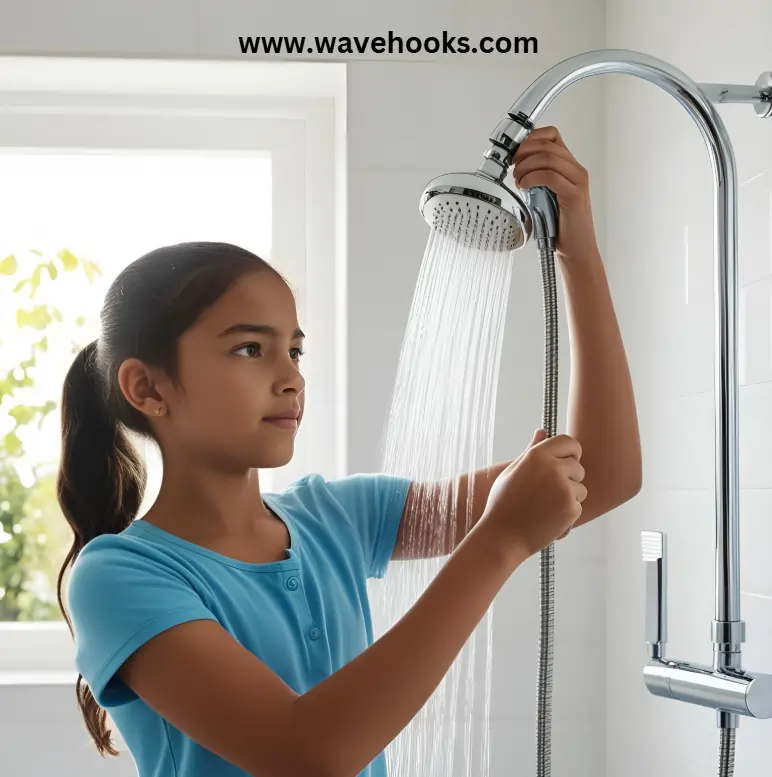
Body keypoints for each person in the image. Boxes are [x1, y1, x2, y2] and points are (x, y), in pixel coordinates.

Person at [57, 125, 641, 777]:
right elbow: (305, 753)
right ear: (148, 387)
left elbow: (604, 473)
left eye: (295, 349)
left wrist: (578, 251)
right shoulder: (119, 577)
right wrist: (498, 540)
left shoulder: (335, 518)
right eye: (250, 348)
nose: (290, 376)